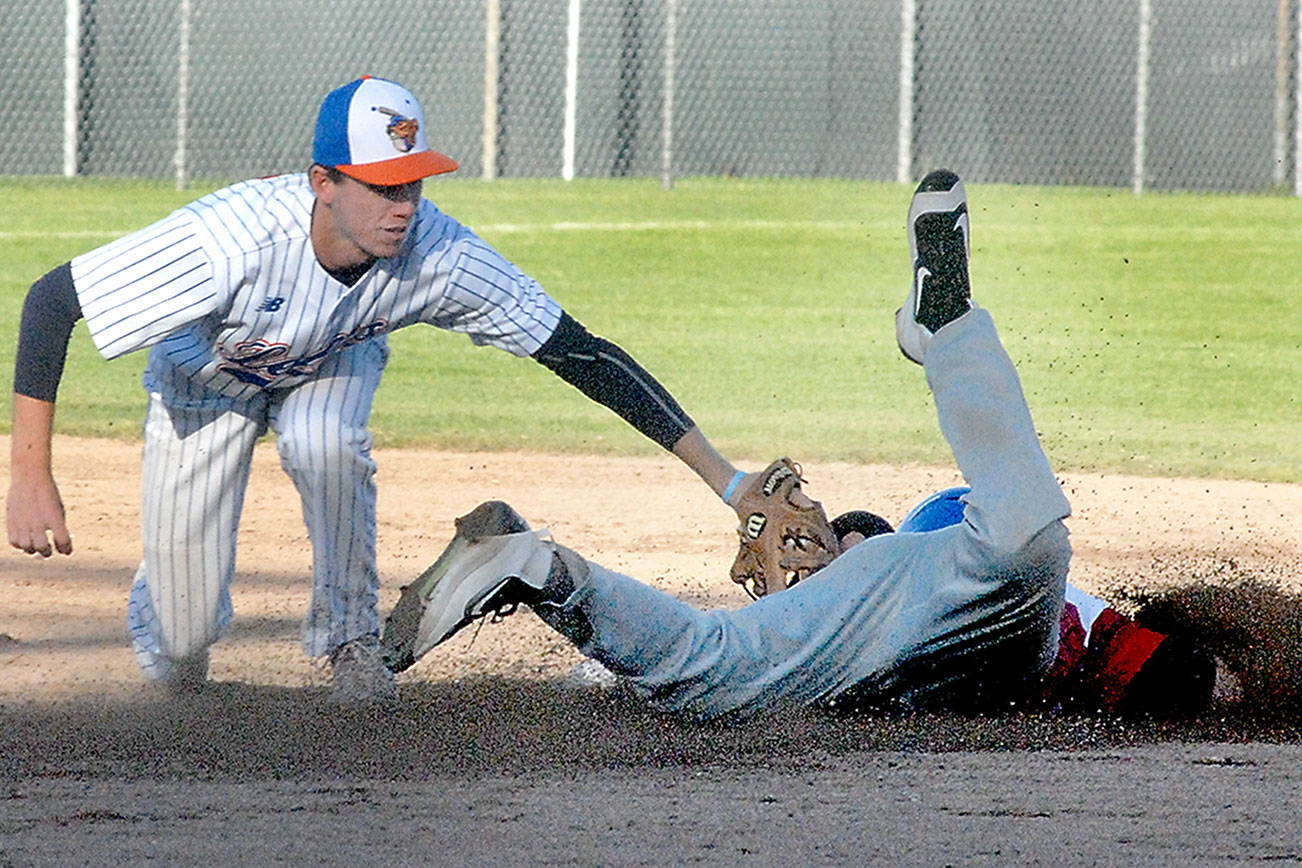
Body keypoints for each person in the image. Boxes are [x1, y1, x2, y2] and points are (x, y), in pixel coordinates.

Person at [6, 76, 760, 703]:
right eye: (382, 187)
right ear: (324, 183)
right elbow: (51, 303)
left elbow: (581, 354)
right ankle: (176, 633)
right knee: (180, 642)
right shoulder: (229, 243)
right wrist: (31, 477)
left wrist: (729, 482)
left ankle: (353, 643)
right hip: (205, 377)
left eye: (415, 184)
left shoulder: (436, 253)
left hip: (330, 367)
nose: (404, 206)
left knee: (326, 441)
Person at [380, 169, 1086, 719]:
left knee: (719, 667)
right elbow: (1151, 663)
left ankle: (541, 569)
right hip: (961, 588)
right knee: (1022, 543)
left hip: (933, 601)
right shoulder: (963, 590)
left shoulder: (859, 624)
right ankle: (948, 329)